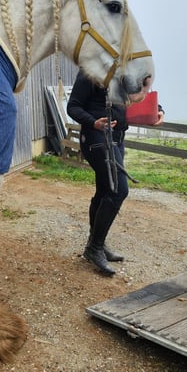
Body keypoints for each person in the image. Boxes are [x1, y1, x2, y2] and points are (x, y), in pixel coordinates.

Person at [66, 71, 132, 276]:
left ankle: (97, 244)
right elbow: (73, 106)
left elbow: (139, 98)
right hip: (97, 136)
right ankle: (94, 248)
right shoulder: (90, 71)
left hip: (118, 138)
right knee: (118, 190)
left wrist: (158, 110)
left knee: (105, 191)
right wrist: (93, 122)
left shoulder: (125, 74)